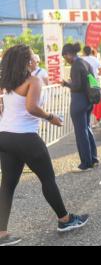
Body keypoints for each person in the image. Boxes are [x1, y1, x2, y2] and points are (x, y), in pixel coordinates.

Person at [0, 44, 89, 246]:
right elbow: (31, 107)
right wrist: (51, 117)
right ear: (26, 61)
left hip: (4, 136)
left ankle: (1, 233)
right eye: (33, 56)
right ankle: (65, 220)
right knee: (47, 179)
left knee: (7, 185)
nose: (36, 59)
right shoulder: (33, 80)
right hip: (25, 138)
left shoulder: (7, 81)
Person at [61, 43, 99, 172]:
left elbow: (77, 86)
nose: (65, 60)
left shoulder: (76, 66)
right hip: (88, 101)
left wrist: (66, 83)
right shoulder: (85, 63)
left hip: (78, 102)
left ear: (68, 55)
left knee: (80, 132)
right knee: (87, 129)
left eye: (64, 57)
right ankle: (93, 159)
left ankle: (85, 163)